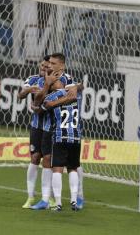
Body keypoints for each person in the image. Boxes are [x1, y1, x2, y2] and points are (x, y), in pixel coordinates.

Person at [31, 53, 84, 210]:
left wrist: (53, 101)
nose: (49, 65)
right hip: (48, 128)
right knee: (47, 161)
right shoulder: (42, 79)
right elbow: (36, 101)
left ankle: (78, 197)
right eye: (49, 62)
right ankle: (46, 200)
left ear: (61, 66)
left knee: (68, 166)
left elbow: (74, 93)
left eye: (53, 63)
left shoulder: (67, 79)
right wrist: (46, 86)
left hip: (60, 129)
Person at [41, 81, 82, 211]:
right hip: (75, 136)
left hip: (60, 136)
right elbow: (82, 86)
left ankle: (58, 203)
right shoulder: (76, 93)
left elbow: (44, 107)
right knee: (73, 169)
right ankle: (74, 201)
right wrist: (74, 90)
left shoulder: (50, 97)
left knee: (57, 169)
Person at [18, 56, 51, 209]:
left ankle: (47, 197)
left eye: (47, 66)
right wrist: (30, 89)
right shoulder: (32, 80)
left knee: (48, 161)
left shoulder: (55, 82)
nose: (43, 68)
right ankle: (30, 196)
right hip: (36, 125)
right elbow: (20, 95)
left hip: (50, 126)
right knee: (35, 157)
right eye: (42, 66)